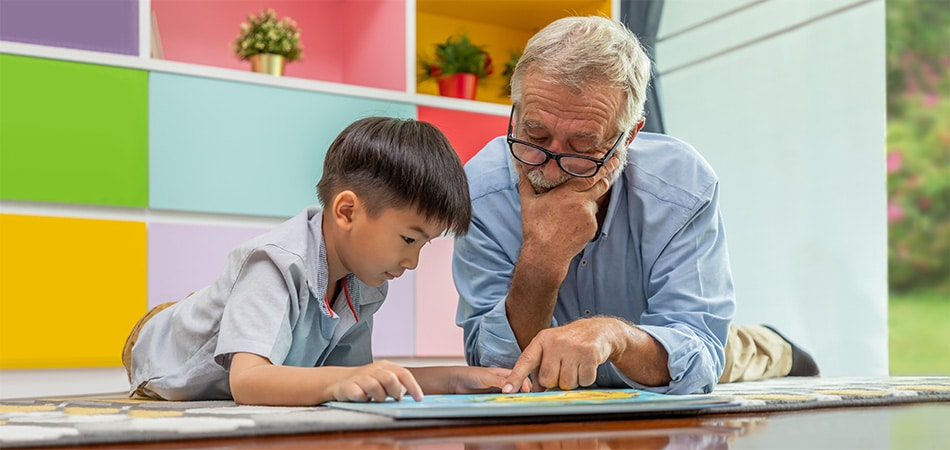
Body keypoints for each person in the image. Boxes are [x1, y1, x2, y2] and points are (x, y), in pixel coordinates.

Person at [452, 16, 818, 396]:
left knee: (733, 352)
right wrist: (543, 258)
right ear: (516, 110)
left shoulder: (682, 186)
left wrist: (615, 336)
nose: (550, 165)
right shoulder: (480, 189)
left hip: (651, 344)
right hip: (559, 378)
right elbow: (496, 369)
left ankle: (772, 345)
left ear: (629, 136)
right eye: (535, 134)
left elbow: (699, 355)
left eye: (582, 146)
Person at [122, 117, 528, 406]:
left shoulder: (364, 285)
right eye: (409, 238)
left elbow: (362, 376)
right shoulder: (277, 263)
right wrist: (343, 380)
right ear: (347, 211)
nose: (413, 262)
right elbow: (248, 382)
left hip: (254, 354)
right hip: (159, 349)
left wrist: (460, 378)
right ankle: (193, 311)